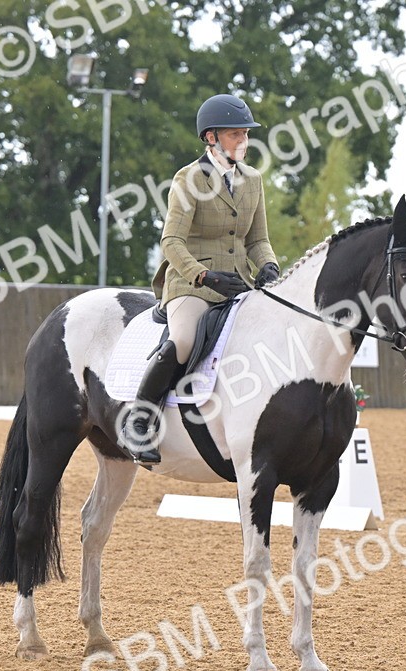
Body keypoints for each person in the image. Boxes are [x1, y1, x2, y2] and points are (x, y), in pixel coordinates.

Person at [122, 93, 280, 463]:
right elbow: (171, 241)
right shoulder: (189, 178)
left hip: (239, 281)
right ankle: (139, 422)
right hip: (191, 282)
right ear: (210, 138)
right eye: (234, 135)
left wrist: (269, 265)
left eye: (245, 134)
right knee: (183, 338)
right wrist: (204, 276)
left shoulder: (253, 180)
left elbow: (257, 240)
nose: (243, 141)